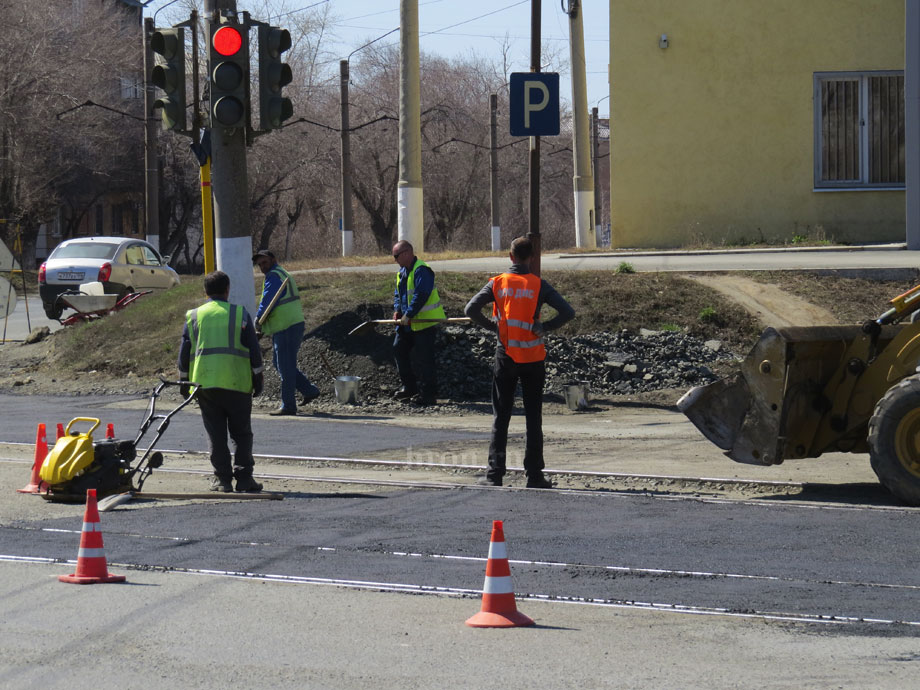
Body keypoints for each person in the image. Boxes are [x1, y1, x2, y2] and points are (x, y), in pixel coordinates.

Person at [464, 236, 575, 488]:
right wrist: (544, 327)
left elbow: (470, 309)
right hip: (533, 357)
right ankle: (534, 475)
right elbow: (568, 312)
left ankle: (494, 476)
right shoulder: (538, 285)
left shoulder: (498, 283)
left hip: (506, 356)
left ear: (510, 256)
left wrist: (494, 328)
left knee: (501, 416)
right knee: (533, 417)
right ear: (531, 258)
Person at [178, 270, 265, 493]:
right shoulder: (240, 315)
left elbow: (184, 352)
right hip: (237, 383)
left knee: (216, 434)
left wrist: (183, 381)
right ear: (228, 290)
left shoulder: (194, 316)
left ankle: (222, 480)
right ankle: (245, 480)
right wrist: (258, 378)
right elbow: (254, 351)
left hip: (205, 385)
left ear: (205, 292)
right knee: (242, 433)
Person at [252, 249, 320, 416]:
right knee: (280, 363)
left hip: (287, 326)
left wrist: (258, 320)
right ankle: (309, 390)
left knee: (285, 366)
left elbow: (268, 300)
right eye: (260, 264)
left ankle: (288, 405)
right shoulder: (281, 273)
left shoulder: (274, 275)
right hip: (289, 325)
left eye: (265, 262)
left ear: (273, 259)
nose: (262, 266)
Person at [391, 240, 445, 406]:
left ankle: (429, 394)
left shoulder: (422, 270)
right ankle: (409, 388)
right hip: (408, 324)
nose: (395, 260)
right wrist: (398, 309)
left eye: (396, 256)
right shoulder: (402, 272)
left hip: (424, 323)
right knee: (399, 349)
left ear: (407, 253)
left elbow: (421, 294)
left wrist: (409, 314)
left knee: (425, 358)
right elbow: (398, 294)